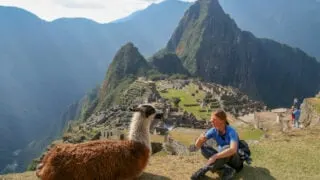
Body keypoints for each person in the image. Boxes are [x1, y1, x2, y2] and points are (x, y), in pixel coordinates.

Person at [191, 110, 244, 180]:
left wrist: (215, 156)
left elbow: (233, 150)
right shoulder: (213, 131)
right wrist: (199, 140)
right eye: (211, 119)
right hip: (222, 158)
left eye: (214, 120)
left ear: (222, 120)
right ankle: (227, 169)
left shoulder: (231, 131)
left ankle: (205, 169)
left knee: (226, 147)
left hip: (235, 162)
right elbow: (198, 146)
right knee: (204, 147)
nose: (211, 121)